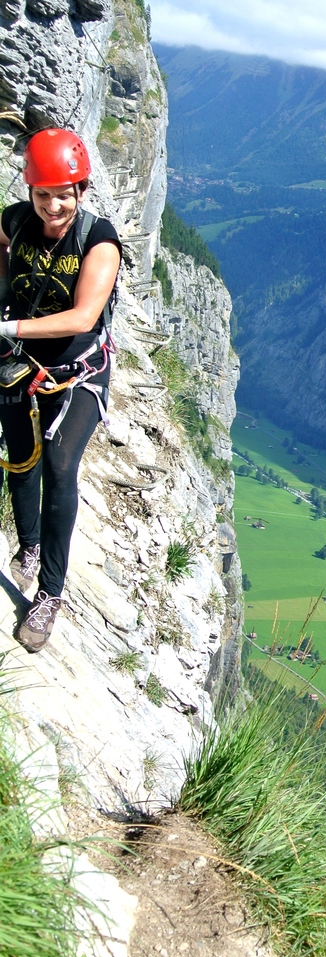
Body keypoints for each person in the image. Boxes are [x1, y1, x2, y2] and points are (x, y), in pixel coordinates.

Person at [0, 128, 121, 652]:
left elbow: (85, 314)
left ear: (82, 190)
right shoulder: (16, 220)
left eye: (64, 193)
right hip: (22, 362)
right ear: (30, 191)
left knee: (57, 462)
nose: (53, 205)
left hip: (79, 372)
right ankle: (28, 549)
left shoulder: (98, 240)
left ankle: (50, 593)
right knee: (20, 454)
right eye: (43, 193)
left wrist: (7, 329)